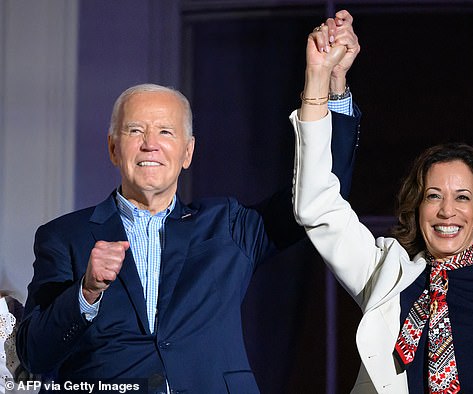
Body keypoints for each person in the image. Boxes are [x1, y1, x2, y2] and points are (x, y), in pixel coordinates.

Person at [17, 10, 360, 393]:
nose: (150, 143)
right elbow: (34, 355)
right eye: (135, 131)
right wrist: (86, 292)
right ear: (113, 149)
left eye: (165, 131)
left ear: (187, 153)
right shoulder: (64, 236)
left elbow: (322, 194)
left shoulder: (228, 225)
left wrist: (332, 85)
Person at [290, 26, 473, 393]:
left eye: (462, 197)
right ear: (418, 207)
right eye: (433, 196)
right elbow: (317, 206)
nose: (447, 211)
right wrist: (317, 79)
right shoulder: (386, 273)